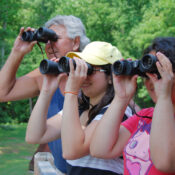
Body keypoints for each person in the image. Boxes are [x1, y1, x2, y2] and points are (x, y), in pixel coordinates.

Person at [25, 41, 134, 175]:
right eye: (79, 68)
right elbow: (34, 135)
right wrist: (47, 90)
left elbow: (71, 151)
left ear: (112, 77)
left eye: (89, 69)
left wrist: (71, 91)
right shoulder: (79, 109)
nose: (83, 76)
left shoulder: (117, 111)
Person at [0, 15, 90, 174]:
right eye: (46, 40)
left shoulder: (93, 78)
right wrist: (17, 52)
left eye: (54, 38)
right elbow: (2, 92)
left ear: (76, 42)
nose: (49, 45)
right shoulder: (46, 77)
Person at [90, 37, 175, 175]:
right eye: (147, 76)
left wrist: (164, 97)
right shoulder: (146, 116)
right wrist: (121, 98)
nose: (151, 82)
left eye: (159, 73)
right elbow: (99, 149)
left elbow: (164, 162)